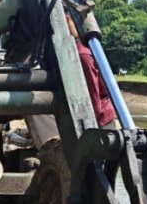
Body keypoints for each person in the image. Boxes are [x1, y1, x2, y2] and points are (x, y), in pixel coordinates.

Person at [25, 11, 117, 148]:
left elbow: (93, 102)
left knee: (31, 103)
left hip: (100, 123)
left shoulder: (81, 55)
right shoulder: (75, 50)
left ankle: (50, 149)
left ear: (67, 21)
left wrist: (86, 135)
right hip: (92, 116)